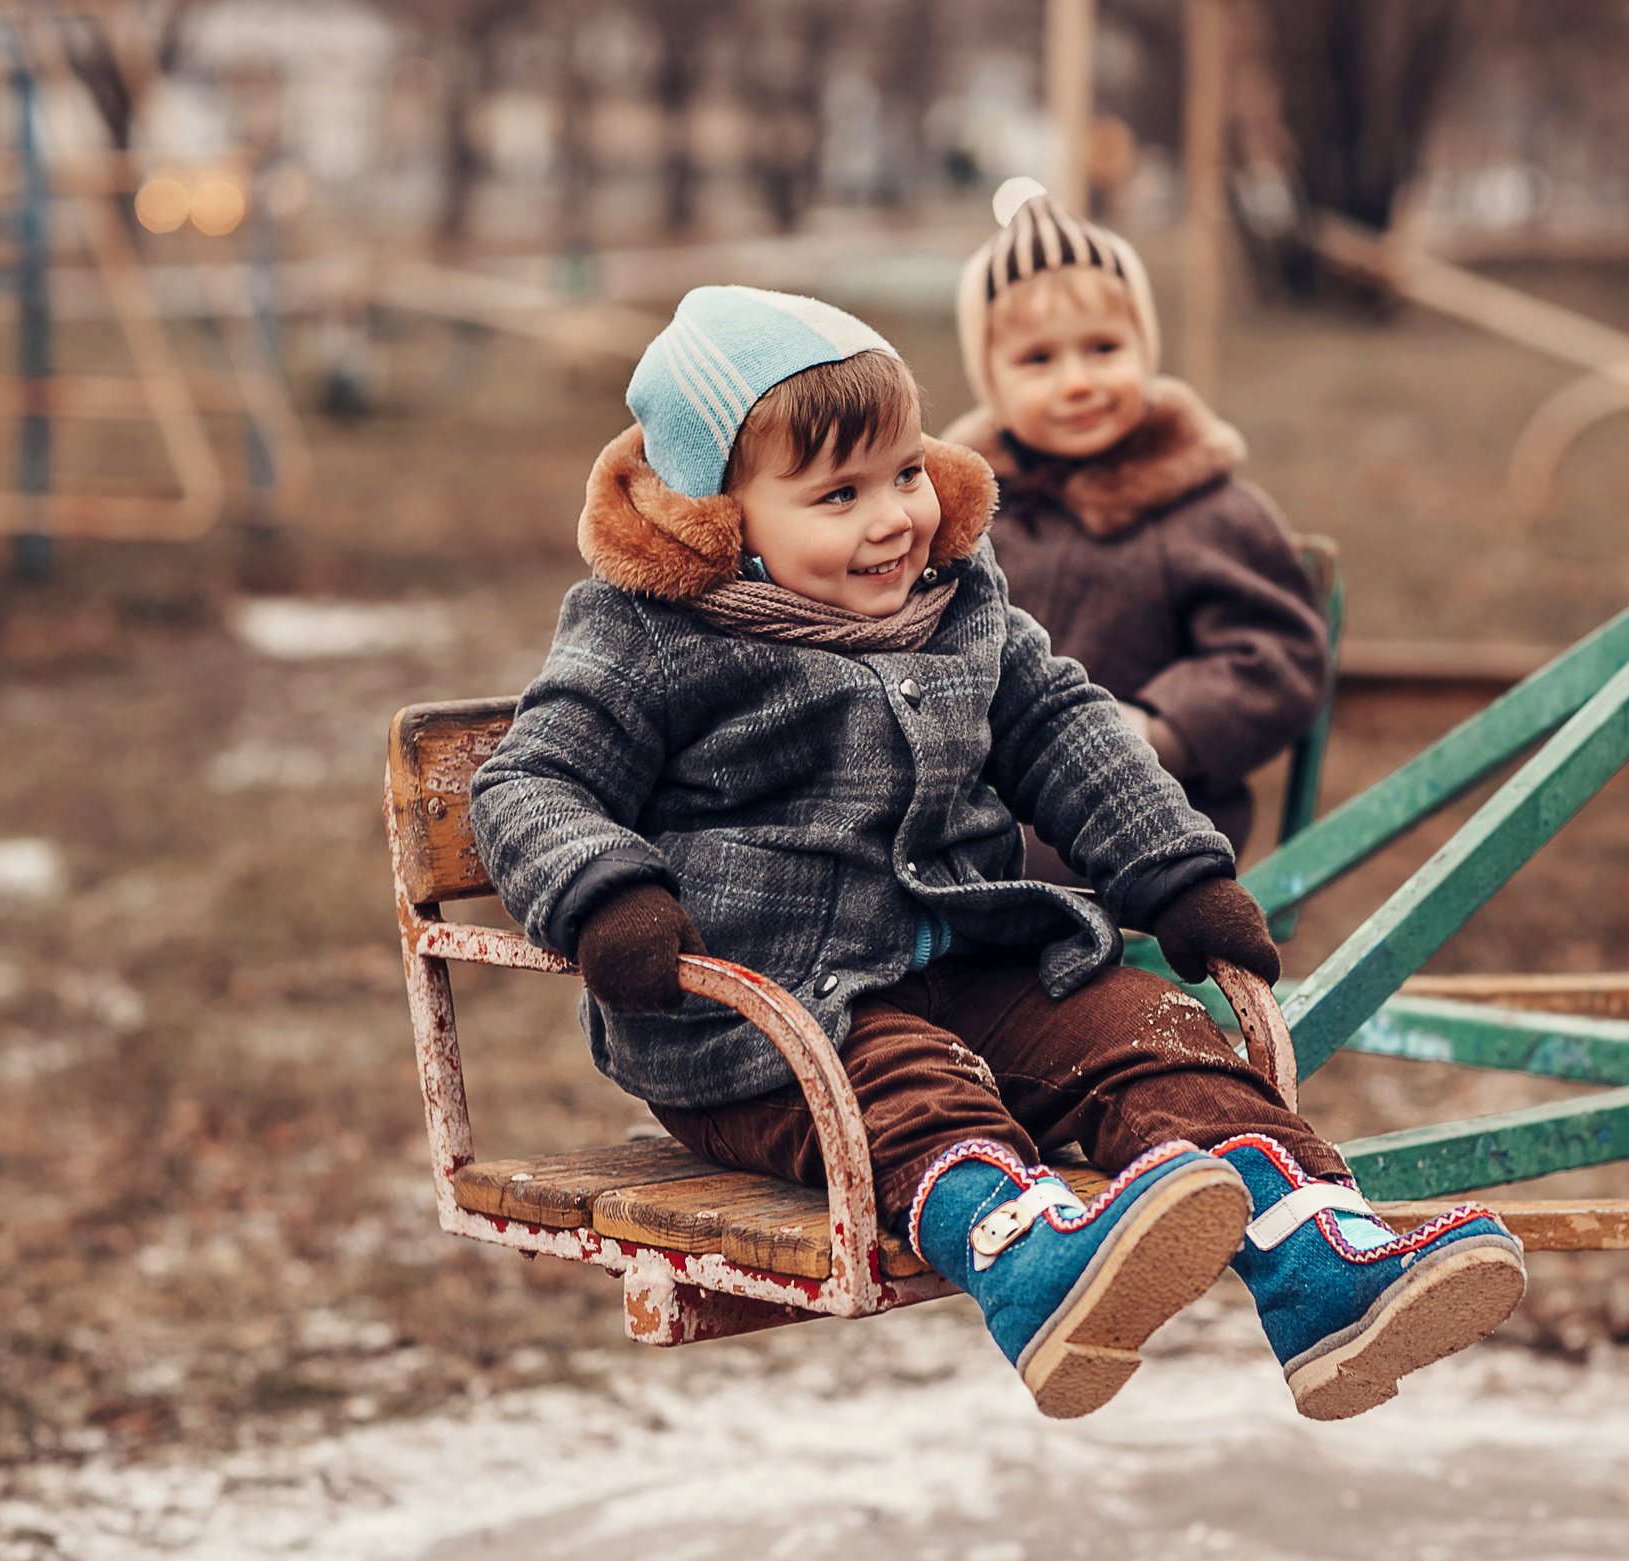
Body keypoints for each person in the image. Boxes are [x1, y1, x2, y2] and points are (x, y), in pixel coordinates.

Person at [470, 285, 1521, 1422]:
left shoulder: (953, 598)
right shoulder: (651, 634)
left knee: (1141, 1028)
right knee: (914, 1089)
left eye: (906, 472)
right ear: (717, 518)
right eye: (839, 494)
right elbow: (529, 780)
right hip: (771, 1018)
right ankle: (1030, 1261)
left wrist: (1176, 870)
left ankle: (1319, 1260)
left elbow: (1061, 726)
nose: (894, 518)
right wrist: (608, 893)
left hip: (971, 955)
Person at [943, 178, 1329, 878]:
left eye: (1103, 348)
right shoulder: (963, 516)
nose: (1078, 382)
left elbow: (1278, 654)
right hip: (974, 821)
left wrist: (1163, 725)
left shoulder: (1204, 511)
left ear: (1144, 350)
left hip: (1141, 832)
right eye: (1038, 360)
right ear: (991, 383)